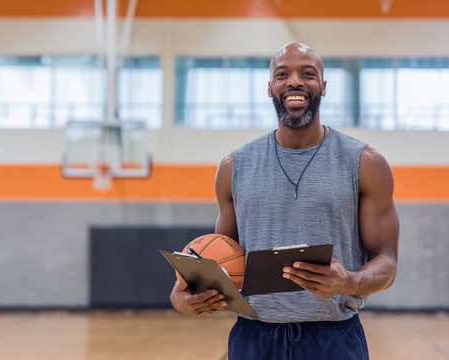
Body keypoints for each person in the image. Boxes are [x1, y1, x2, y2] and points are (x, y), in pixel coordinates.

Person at [170, 43, 399, 360]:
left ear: (323, 86)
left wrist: (350, 280)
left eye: (308, 73)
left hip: (333, 339)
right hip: (254, 338)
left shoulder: (365, 163)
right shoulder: (234, 167)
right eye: (282, 74)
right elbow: (222, 258)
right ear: (270, 88)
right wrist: (185, 291)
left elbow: (387, 260)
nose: (294, 81)